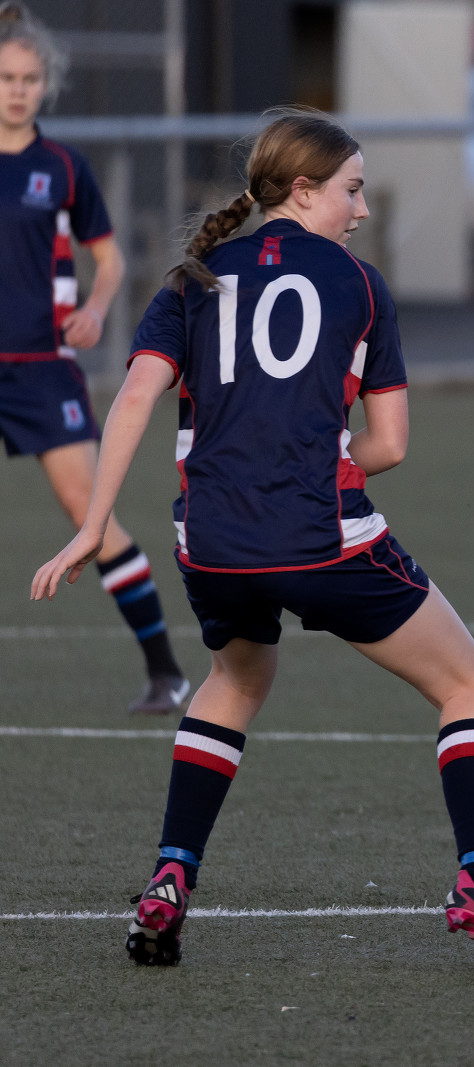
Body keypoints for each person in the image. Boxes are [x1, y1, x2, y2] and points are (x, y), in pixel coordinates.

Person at [31, 110, 474, 972]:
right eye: (352, 190)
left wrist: (94, 524)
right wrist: (314, 461)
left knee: (235, 678)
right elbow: (390, 444)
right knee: (466, 684)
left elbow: (135, 398)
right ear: (302, 190)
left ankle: (170, 875)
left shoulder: (192, 277)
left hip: (210, 542)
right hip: (320, 536)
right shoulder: (359, 285)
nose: (361, 209)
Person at [0, 2, 187, 713]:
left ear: (46, 85)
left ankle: (165, 671)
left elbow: (109, 262)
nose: (18, 90)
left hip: (43, 368)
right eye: (6, 78)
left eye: (29, 79)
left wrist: (98, 308)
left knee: (89, 514)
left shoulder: (63, 168)